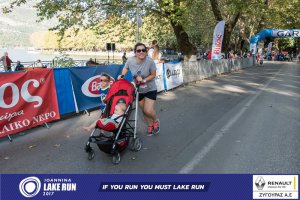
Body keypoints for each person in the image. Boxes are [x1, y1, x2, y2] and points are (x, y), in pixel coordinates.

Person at [118, 42, 160, 136]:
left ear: (146, 51)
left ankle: (156, 120)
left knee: (148, 110)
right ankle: (150, 126)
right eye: (138, 50)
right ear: (135, 52)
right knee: (143, 111)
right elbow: (126, 68)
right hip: (138, 89)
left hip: (150, 88)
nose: (141, 52)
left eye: (143, 50)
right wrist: (122, 75)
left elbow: (153, 75)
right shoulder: (130, 60)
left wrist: (144, 80)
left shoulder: (150, 61)